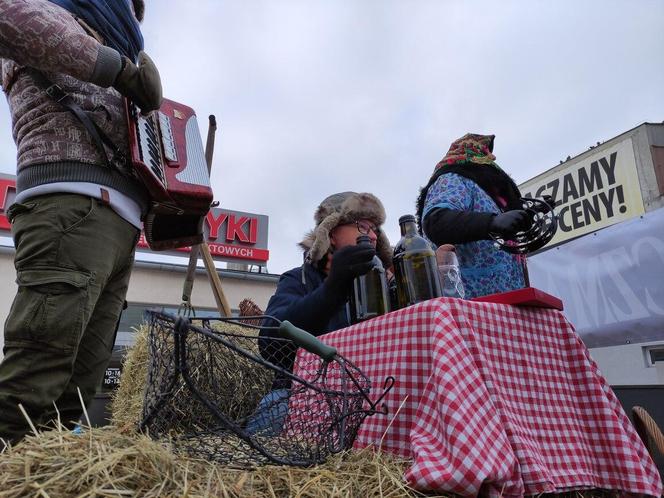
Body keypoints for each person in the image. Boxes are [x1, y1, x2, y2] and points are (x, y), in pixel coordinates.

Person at [0, 0, 162, 447]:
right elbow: (8, 19)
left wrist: (174, 204)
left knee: (78, 388)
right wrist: (121, 72)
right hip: (71, 204)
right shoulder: (54, 11)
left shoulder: (114, 41)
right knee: (36, 376)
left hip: (119, 223)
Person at [248, 191, 392, 434]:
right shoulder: (298, 278)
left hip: (375, 395)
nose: (373, 235)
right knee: (275, 409)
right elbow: (270, 342)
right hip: (306, 393)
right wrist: (333, 289)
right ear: (332, 233)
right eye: (363, 226)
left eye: (376, 229)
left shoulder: (384, 284)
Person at [416, 133, 532, 299]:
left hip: (509, 304)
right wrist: (491, 222)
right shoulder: (453, 178)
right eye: (486, 151)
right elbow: (436, 220)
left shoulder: (493, 196)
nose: (492, 157)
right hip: (472, 306)